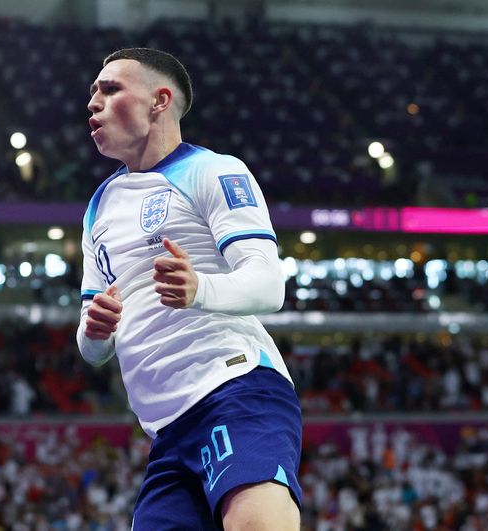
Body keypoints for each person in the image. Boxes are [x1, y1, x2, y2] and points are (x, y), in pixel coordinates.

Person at [77, 48, 302, 530]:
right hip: (166, 430)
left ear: (160, 100)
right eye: (92, 92)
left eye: (110, 89)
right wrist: (95, 329)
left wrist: (200, 288)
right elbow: (92, 348)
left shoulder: (212, 170)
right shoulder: (98, 207)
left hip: (235, 388)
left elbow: (268, 284)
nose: (92, 102)